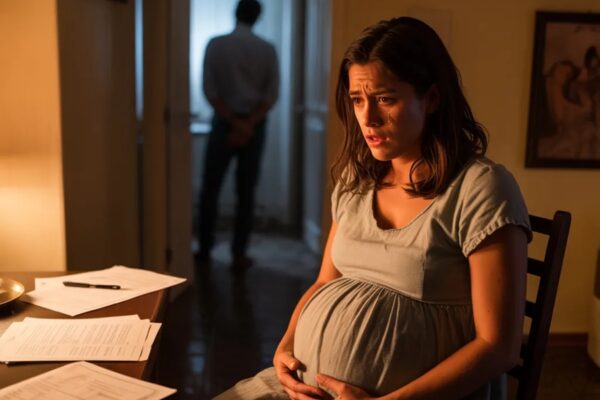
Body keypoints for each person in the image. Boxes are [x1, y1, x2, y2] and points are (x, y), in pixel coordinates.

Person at [215, 16, 531, 400]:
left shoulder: (480, 188)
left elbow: (498, 347)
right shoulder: (358, 179)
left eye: (385, 99)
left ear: (432, 98)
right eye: (357, 100)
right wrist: (285, 348)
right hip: (302, 388)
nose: (368, 119)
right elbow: (324, 283)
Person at [197, 0, 279, 270]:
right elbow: (271, 94)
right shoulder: (267, 49)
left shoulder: (216, 44)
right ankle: (239, 253)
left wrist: (233, 122)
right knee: (246, 192)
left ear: (235, 14)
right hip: (254, 126)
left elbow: (209, 90)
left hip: (224, 123)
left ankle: (204, 249)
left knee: (210, 188)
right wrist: (248, 124)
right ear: (257, 18)